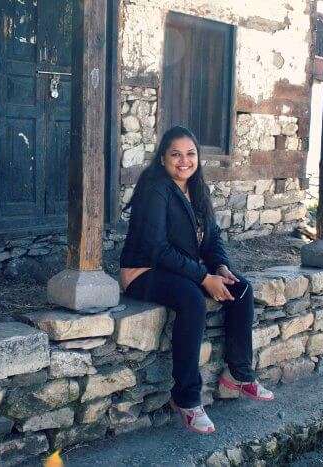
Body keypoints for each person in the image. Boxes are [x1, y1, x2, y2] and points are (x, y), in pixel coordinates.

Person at [119, 125, 274, 434]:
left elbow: (212, 238)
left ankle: (238, 375)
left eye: (190, 154)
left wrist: (221, 267)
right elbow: (157, 249)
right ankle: (187, 398)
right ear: (163, 158)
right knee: (191, 299)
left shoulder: (196, 188)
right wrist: (203, 277)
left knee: (240, 288)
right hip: (143, 272)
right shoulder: (156, 188)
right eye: (176, 155)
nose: (184, 161)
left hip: (178, 268)